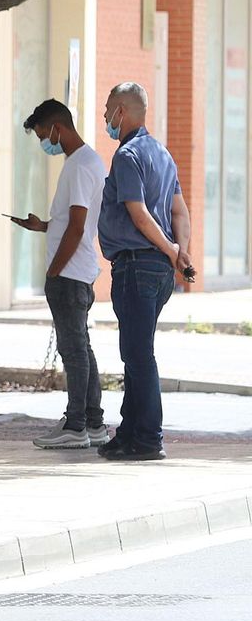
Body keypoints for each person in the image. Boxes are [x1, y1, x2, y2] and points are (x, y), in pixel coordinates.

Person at [96, 82, 191, 463]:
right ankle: (129, 433)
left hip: (137, 265)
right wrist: (182, 253)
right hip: (158, 270)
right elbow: (180, 212)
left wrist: (171, 250)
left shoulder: (128, 155)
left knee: (138, 355)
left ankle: (149, 438)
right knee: (136, 352)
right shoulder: (163, 155)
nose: (105, 117)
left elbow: (137, 212)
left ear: (123, 110)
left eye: (107, 109)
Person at [10, 99, 111, 451]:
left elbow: (79, 227)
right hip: (78, 271)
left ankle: (76, 424)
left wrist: (54, 270)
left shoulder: (80, 166)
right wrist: (43, 227)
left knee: (74, 351)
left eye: (43, 135)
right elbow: (70, 223)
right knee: (81, 346)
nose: (44, 143)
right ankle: (94, 422)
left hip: (69, 274)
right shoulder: (85, 162)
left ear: (58, 128)